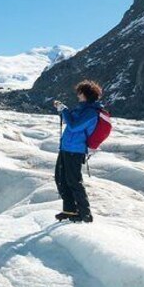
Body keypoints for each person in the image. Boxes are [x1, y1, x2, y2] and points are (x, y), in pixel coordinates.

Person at [53, 80, 104, 223]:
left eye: (80, 93)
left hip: (75, 150)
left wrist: (64, 110)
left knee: (74, 181)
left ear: (86, 94)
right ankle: (69, 209)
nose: (78, 95)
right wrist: (64, 110)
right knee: (61, 179)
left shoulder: (91, 112)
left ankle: (85, 213)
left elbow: (74, 126)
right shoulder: (81, 109)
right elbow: (72, 123)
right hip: (66, 148)